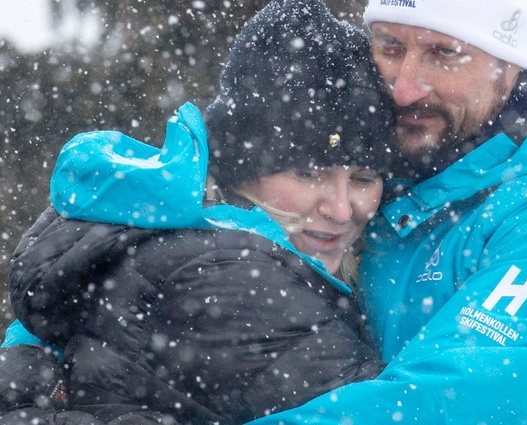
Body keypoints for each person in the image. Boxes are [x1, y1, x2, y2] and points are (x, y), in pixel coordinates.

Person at [247, 1, 527, 424]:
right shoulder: (374, 185)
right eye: (390, 47)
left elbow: (440, 407)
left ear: (509, 63)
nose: (404, 87)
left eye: (443, 53)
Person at [1, 0, 395, 424]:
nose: (340, 209)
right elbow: (404, 413)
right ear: (243, 173)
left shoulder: (172, 238)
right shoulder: (240, 282)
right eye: (306, 174)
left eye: (362, 178)